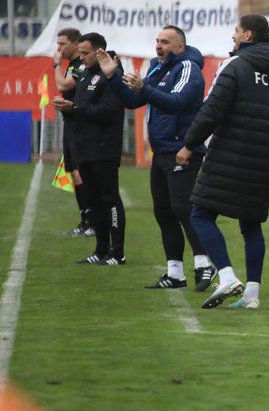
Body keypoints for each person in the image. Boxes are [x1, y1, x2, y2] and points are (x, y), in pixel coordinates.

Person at [180, 15, 269, 309]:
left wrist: (190, 144)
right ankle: (252, 296)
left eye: (237, 30)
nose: (234, 35)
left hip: (228, 156)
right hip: (261, 163)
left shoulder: (236, 66)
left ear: (248, 36)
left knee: (200, 215)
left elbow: (212, 110)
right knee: (251, 225)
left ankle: (227, 276)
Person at [99, 26, 214, 290]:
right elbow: (132, 100)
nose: (159, 45)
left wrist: (144, 89)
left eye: (165, 42)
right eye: (157, 41)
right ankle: (175, 273)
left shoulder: (188, 68)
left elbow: (177, 102)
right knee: (164, 213)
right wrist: (112, 76)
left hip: (182, 150)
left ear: (180, 47)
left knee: (184, 210)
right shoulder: (156, 68)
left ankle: (204, 265)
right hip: (161, 151)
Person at [52, 33, 128, 266]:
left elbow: (107, 111)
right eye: (81, 53)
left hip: (104, 147)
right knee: (93, 200)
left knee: (109, 199)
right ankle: (100, 249)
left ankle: (117, 253)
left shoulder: (112, 75)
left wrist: (74, 108)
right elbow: (82, 108)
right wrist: (68, 108)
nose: (81, 57)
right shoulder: (84, 73)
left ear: (99, 52)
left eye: (85, 53)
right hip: (84, 146)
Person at [51, 28, 92, 237]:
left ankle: (91, 220)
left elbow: (63, 84)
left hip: (79, 124)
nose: (59, 48)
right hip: (70, 122)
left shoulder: (79, 66)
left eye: (62, 44)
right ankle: (85, 219)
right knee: (74, 171)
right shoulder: (70, 66)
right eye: (57, 44)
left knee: (80, 171)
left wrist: (56, 64)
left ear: (76, 44)